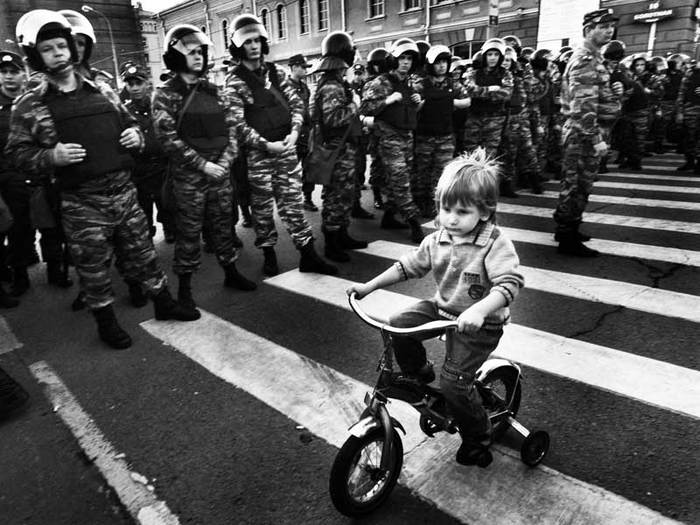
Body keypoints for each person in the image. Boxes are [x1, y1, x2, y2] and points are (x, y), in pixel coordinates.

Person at [6, 10, 199, 349]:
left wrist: (135, 137)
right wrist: (51, 157)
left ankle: (164, 303)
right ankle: (106, 321)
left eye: (61, 45)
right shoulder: (29, 103)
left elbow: (132, 127)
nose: (59, 53)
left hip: (124, 192)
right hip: (82, 201)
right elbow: (17, 156)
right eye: (48, 48)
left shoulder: (104, 90)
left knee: (144, 254)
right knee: (93, 266)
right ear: (36, 55)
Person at [346, 148, 524, 468]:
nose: (451, 218)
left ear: (484, 212)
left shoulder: (495, 243)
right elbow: (408, 266)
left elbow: (508, 285)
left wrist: (480, 311)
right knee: (397, 324)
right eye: (445, 208)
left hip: (479, 324)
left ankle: (479, 435)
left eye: (462, 211)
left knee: (454, 383)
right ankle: (419, 373)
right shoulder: (438, 238)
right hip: (443, 309)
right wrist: (369, 286)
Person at [152, 24, 256, 312]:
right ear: (174, 56)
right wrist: (203, 166)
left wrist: (222, 163)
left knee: (224, 227)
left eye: (201, 52)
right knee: (189, 235)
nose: (198, 57)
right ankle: (184, 290)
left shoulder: (216, 91)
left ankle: (231, 272)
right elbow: (168, 139)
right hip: (189, 181)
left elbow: (234, 130)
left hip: (219, 176)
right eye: (191, 52)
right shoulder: (164, 94)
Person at [224, 14, 337, 277]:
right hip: (259, 157)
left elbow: (297, 104)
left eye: (257, 40)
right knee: (262, 209)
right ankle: (269, 254)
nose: (253, 46)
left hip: (286, 150)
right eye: (247, 42)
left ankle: (308, 255)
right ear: (238, 46)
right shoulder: (235, 81)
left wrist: (295, 132)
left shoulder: (276, 73)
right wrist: (265, 144)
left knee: (293, 204)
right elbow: (237, 124)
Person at [553, 8, 623, 257]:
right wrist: (596, 139)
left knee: (580, 183)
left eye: (611, 26)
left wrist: (615, 93)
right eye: (603, 26)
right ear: (588, 30)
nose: (609, 30)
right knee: (576, 185)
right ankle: (567, 236)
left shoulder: (595, 58)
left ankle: (568, 227)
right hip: (584, 135)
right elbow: (583, 105)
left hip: (587, 132)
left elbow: (597, 97)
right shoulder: (585, 59)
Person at [360, 38, 425, 243]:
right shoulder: (381, 82)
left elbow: (407, 111)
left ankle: (389, 216)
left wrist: (416, 103)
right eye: (402, 58)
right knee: (400, 180)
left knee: (395, 179)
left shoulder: (410, 82)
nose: (406, 62)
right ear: (394, 60)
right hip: (389, 137)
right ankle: (413, 220)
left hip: (406, 136)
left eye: (409, 59)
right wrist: (388, 99)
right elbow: (364, 108)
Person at [311, 31, 367, 263]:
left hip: (343, 148)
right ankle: (331, 243)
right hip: (337, 150)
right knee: (336, 196)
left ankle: (342, 234)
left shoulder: (336, 83)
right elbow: (333, 119)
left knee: (344, 195)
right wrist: (355, 105)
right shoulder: (332, 87)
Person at [412, 45, 470, 217]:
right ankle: (420, 201)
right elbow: (412, 106)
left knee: (441, 172)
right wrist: (420, 103)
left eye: (444, 62)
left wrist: (450, 103)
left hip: (445, 135)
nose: (442, 66)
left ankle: (435, 202)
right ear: (430, 64)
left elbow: (467, 100)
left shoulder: (453, 84)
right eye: (438, 62)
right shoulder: (421, 84)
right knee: (422, 172)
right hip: (424, 136)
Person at [463, 38, 513, 160]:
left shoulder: (505, 74)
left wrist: (481, 91)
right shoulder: (474, 73)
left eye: (496, 54)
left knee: (490, 155)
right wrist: (491, 89)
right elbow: (469, 91)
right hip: (474, 118)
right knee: (471, 154)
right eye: (490, 54)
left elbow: (506, 94)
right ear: (484, 56)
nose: (492, 58)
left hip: (495, 119)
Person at [287, 53, 317, 212]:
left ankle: (307, 198)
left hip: (306, 132)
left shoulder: (304, 87)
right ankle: (291, 202)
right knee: (290, 170)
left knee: (309, 168)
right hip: (292, 134)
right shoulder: (285, 86)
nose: (306, 70)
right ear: (294, 67)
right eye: (303, 67)